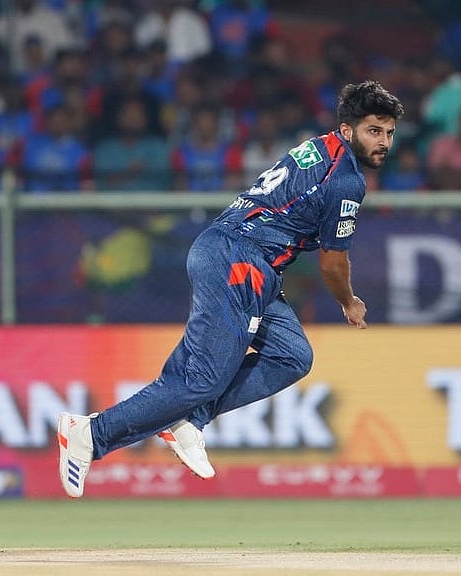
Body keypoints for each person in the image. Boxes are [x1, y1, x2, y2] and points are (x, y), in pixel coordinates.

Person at [58, 80, 404, 497]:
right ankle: (90, 434)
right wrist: (349, 302)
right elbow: (332, 262)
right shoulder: (346, 179)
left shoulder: (320, 145)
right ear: (348, 130)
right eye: (373, 131)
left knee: (293, 356)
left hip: (245, 260)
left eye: (388, 133)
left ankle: (190, 419)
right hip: (239, 261)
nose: (383, 142)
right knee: (199, 380)